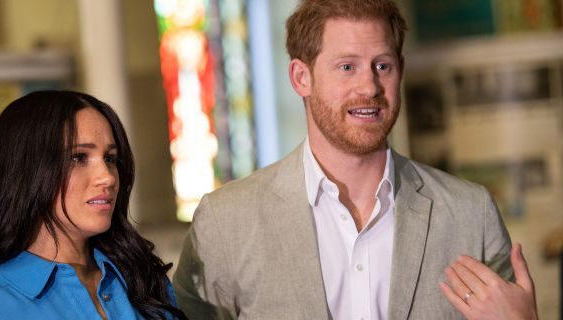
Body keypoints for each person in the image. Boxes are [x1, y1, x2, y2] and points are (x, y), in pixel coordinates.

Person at [173, 0, 538, 319]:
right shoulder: (225, 223)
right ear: (302, 78)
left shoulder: (470, 214)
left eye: (382, 66)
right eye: (347, 67)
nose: (369, 87)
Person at [0, 90, 187, 320]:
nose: (108, 177)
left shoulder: (146, 283)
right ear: (27, 170)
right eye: (78, 157)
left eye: (110, 158)